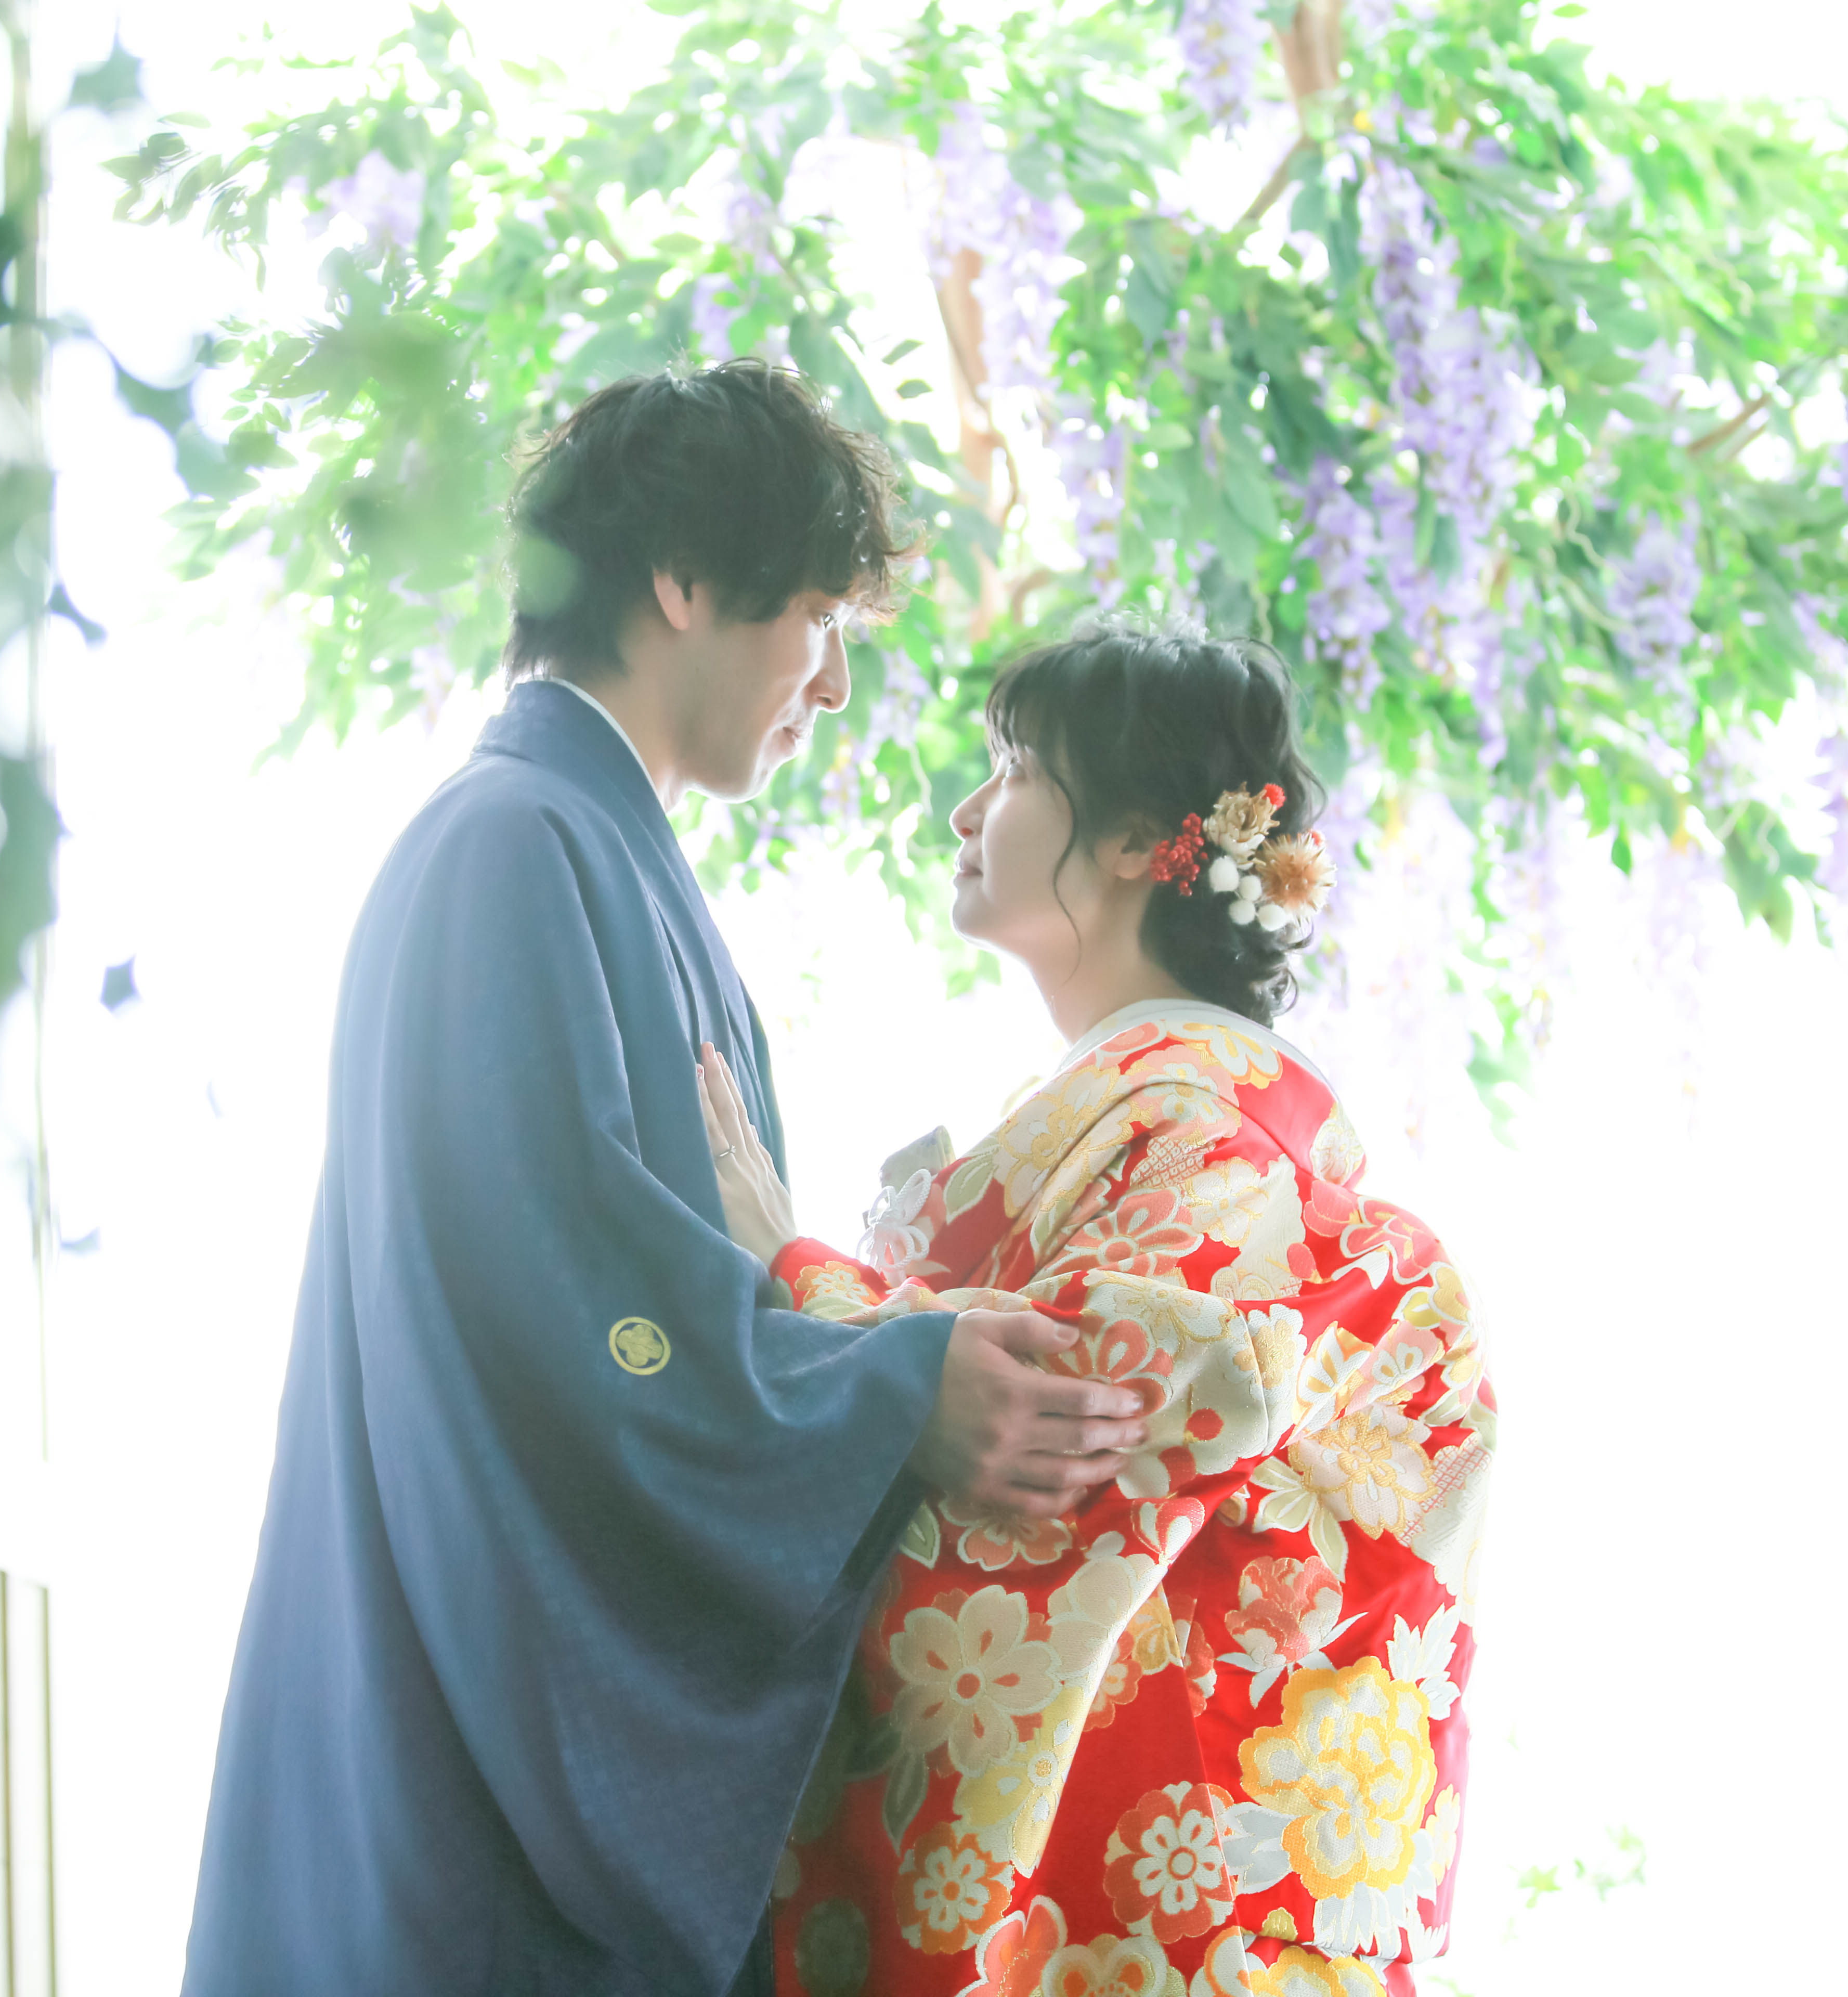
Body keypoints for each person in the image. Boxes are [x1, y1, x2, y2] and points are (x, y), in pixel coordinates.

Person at [182, 364, 1157, 1997]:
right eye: (820, 620)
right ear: (685, 581)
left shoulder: (588, 856)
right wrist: (889, 1391)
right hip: (459, 1819)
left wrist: (861, 1348)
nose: (831, 684)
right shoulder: (508, 848)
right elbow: (566, 1312)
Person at [698, 623, 1492, 1997]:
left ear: (1134, 841)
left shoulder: (1217, 1153)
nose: (966, 810)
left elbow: (1049, 1456)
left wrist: (794, 1271)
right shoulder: (1165, 1127)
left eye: (1013, 771)